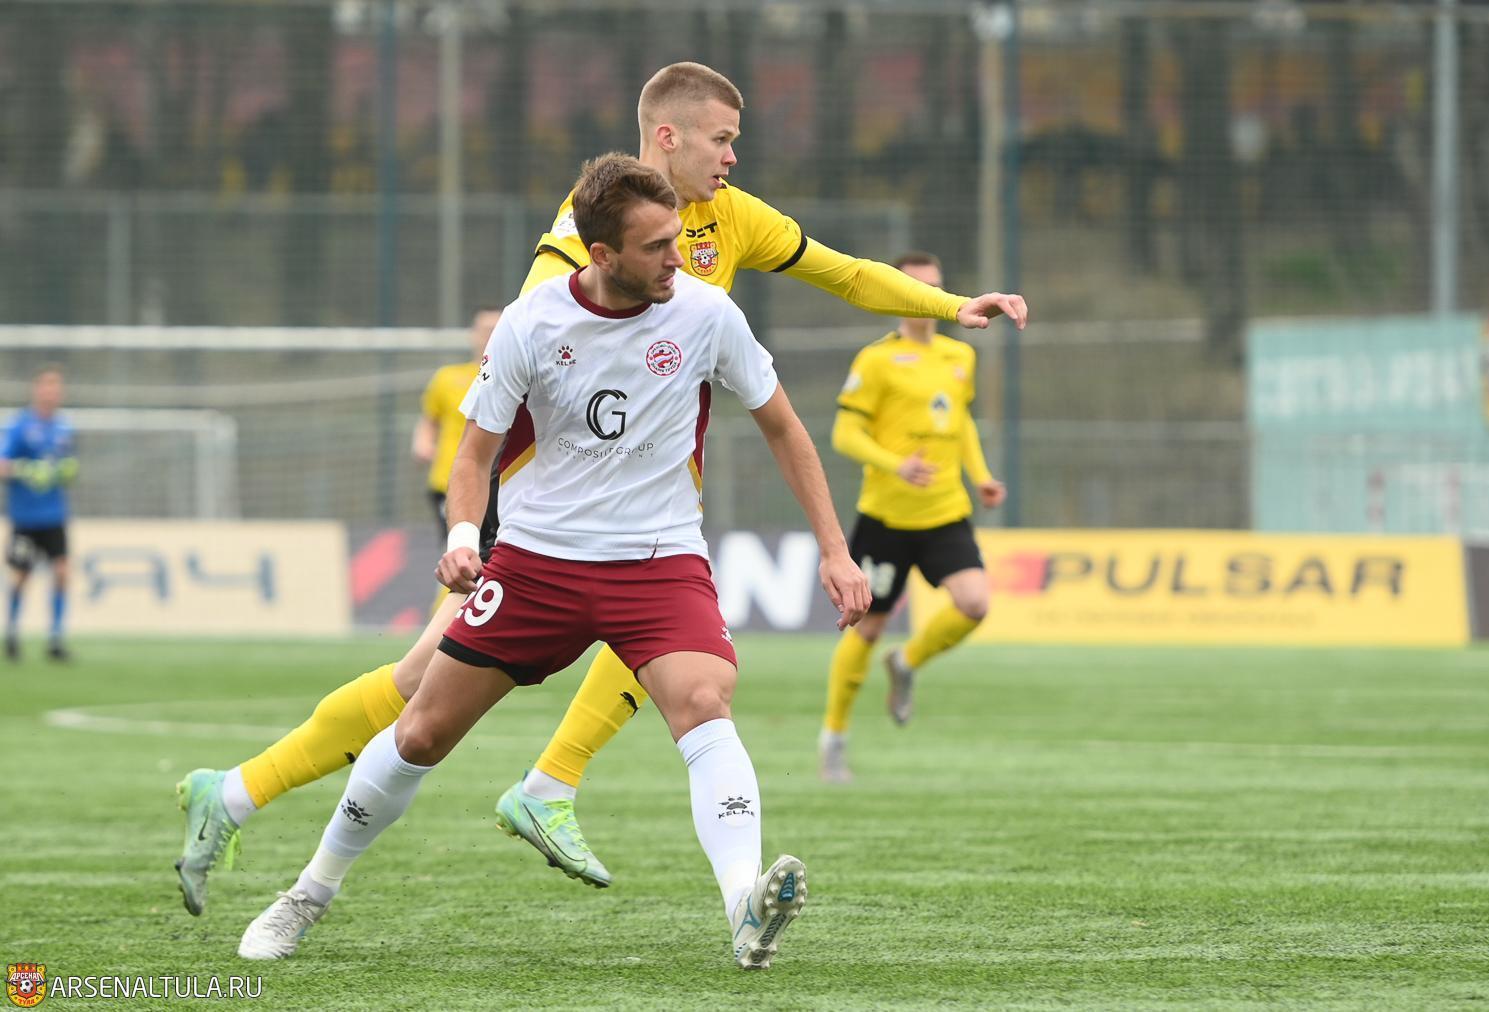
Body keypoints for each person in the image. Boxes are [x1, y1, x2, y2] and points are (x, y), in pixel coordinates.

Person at [174, 60, 1027, 914]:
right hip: (546, 499)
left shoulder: (730, 216)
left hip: (638, 503)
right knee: (418, 687)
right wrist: (489, 512)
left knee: (640, 639)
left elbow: (845, 272)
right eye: (722, 140)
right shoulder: (583, 237)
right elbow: (529, 360)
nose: (733, 157)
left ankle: (516, 785)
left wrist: (952, 307)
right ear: (669, 137)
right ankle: (267, 793)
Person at [235, 154, 870, 968]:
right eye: (656, 247)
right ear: (602, 254)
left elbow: (784, 427)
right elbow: (474, 455)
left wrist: (834, 550)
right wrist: (463, 539)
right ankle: (307, 894)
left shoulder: (708, 314)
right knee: (422, 731)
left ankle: (745, 908)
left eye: (678, 239)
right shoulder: (531, 323)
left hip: (658, 562)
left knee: (704, 700)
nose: (677, 259)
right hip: (537, 566)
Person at [819, 252, 1005, 782]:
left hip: (945, 511)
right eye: (917, 287)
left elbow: (961, 421)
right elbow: (844, 434)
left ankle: (907, 663)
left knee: (975, 603)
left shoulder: (958, 356)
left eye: (936, 287)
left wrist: (981, 475)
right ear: (898, 294)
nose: (928, 297)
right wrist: (895, 464)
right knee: (866, 628)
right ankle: (834, 738)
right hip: (886, 518)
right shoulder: (876, 361)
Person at [4, 366, 77, 662]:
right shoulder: (20, 426)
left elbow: (67, 465)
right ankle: (11, 633)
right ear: (37, 391)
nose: (51, 394)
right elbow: (2, 464)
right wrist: (26, 469)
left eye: (56, 389)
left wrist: (66, 471)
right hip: (25, 518)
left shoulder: (64, 429)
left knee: (61, 572)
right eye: (46, 388)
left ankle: (55, 639)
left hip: (54, 516)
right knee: (22, 575)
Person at [414, 308, 501, 539]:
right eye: (485, 330)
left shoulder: (514, 378)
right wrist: (423, 443)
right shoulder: (447, 377)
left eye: (496, 329)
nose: (490, 336)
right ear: (473, 334)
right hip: (449, 480)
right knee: (460, 545)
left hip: (498, 482)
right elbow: (430, 419)